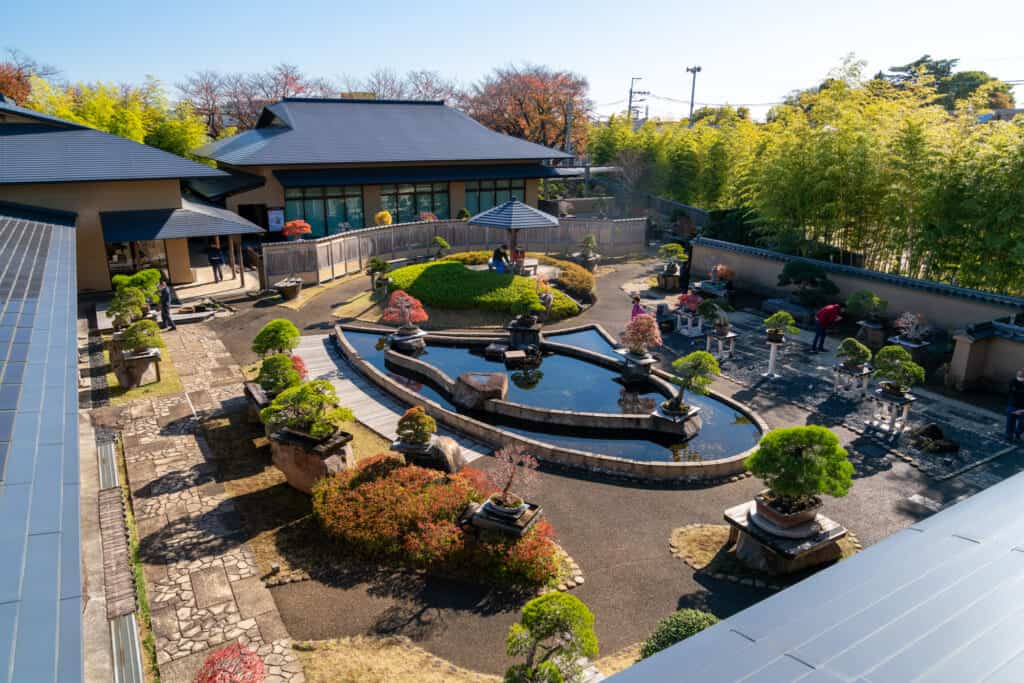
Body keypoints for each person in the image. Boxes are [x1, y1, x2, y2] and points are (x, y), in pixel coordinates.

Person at [1007, 369, 1024, 442]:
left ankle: (1017, 434)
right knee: (1010, 421)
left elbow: (1017, 392)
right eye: (1020, 372)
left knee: (1023, 423)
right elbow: (1013, 392)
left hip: (1022, 406)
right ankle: (1009, 435)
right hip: (1013, 405)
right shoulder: (1013, 381)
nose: (1021, 373)